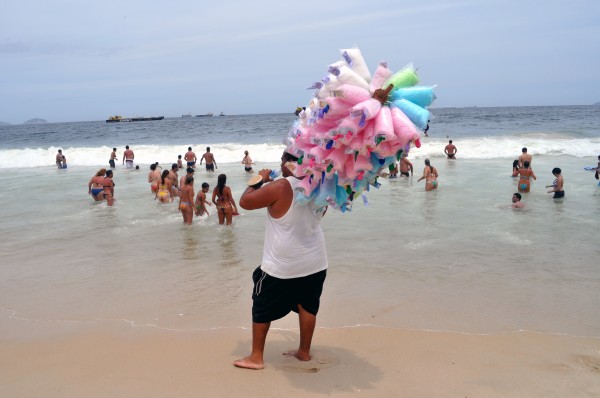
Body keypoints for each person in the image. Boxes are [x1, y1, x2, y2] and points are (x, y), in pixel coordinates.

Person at [234, 152, 328, 370]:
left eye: (282, 160)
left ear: (289, 163)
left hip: (282, 265)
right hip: (315, 261)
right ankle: (304, 352)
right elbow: (318, 216)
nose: (279, 165)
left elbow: (245, 202)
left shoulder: (281, 186)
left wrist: (258, 180)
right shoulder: (320, 186)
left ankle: (256, 357)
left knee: (261, 304)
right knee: (308, 306)